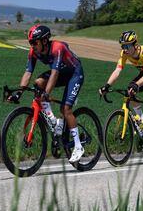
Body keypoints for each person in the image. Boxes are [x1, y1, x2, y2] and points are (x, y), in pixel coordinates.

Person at [7, 25, 85, 163]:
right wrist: (19, 93)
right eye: (30, 43)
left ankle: (78, 146)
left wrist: (47, 94)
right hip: (61, 73)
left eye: (34, 42)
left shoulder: (57, 48)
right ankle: (54, 122)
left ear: (44, 41)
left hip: (74, 74)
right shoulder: (33, 52)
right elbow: (28, 73)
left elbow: (54, 74)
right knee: (38, 83)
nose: (32, 45)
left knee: (66, 109)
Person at [99, 31, 143, 153]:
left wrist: (136, 85)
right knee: (129, 91)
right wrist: (107, 85)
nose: (125, 49)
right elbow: (117, 71)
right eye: (123, 46)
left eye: (127, 46)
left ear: (135, 45)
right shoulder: (124, 54)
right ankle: (142, 119)